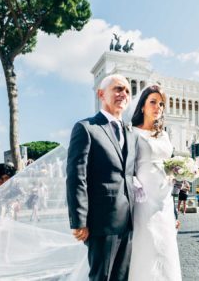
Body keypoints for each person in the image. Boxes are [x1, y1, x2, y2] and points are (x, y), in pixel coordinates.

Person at [66, 74, 137, 281]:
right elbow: (76, 177)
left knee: (122, 277)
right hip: (101, 222)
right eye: (117, 89)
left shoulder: (130, 133)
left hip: (129, 220)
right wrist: (79, 220)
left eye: (126, 90)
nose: (123, 93)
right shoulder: (86, 128)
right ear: (101, 94)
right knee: (101, 277)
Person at [129, 85, 182, 280]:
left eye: (161, 104)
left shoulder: (164, 134)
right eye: (153, 102)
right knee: (147, 242)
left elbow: (168, 165)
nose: (158, 107)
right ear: (142, 106)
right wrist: (133, 182)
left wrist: (178, 170)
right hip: (143, 197)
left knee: (165, 244)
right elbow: (126, 165)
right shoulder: (131, 132)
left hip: (164, 199)